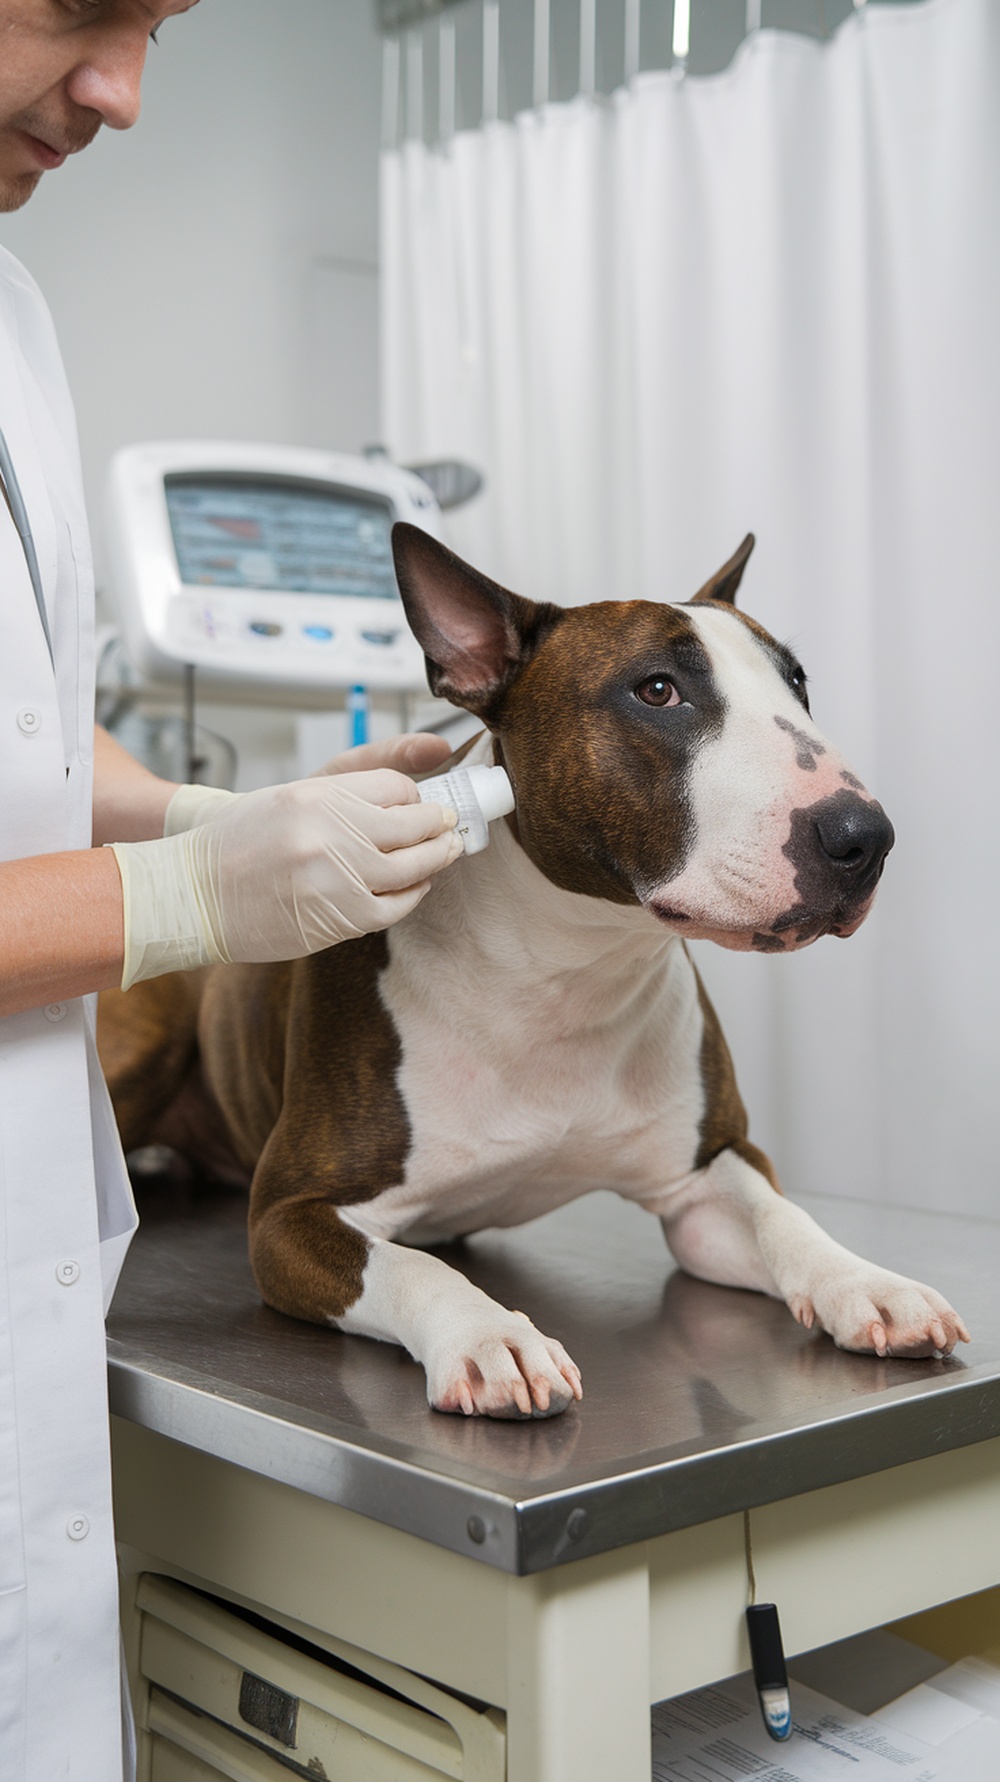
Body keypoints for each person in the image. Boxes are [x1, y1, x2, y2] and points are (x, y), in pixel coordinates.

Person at [0, 6, 457, 1776]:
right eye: (79, 8)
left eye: (160, 29)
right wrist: (189, 900)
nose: (122, 95)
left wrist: (210, 804)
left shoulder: (18, 316)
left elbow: (34, 746)